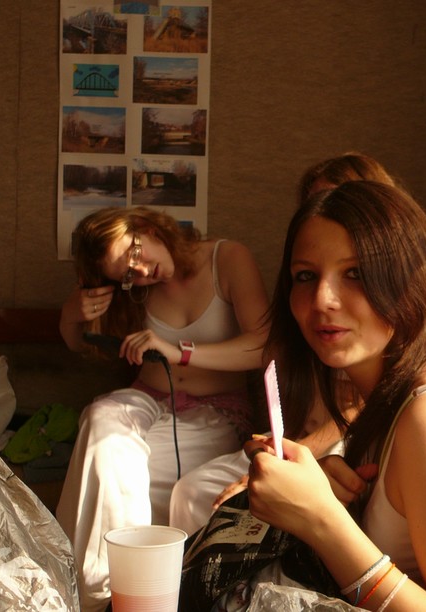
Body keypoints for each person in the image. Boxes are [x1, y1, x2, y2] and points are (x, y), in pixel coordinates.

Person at [244, 180, 426, 610]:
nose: (322, 299)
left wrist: (322, 521)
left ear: (408, 281)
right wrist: (326, 492)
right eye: (305, 276)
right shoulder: (391, 399)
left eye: (355, 273)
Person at [168, 152, 401, 535]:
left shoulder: (376, 313)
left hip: (343, 445)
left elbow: (359, 408)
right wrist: (270, 445)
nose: (327, 215)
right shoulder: (302, 300)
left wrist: (293, 456)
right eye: (316, 204)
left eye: (343, 202)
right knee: (193, 492)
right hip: (296, 438)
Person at [55, 206, 270, 612]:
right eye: (127, 275)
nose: (140, 273)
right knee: (101, 425)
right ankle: (100, 592)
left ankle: (134, 591)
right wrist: (71, 316)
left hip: (215, 410)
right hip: (146, 397)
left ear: (148, 227)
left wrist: (180, 352)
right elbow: (79, 344)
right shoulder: (136, 289)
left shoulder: (227, 258)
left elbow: (263, 346)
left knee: (132, 469)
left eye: (134, 255)